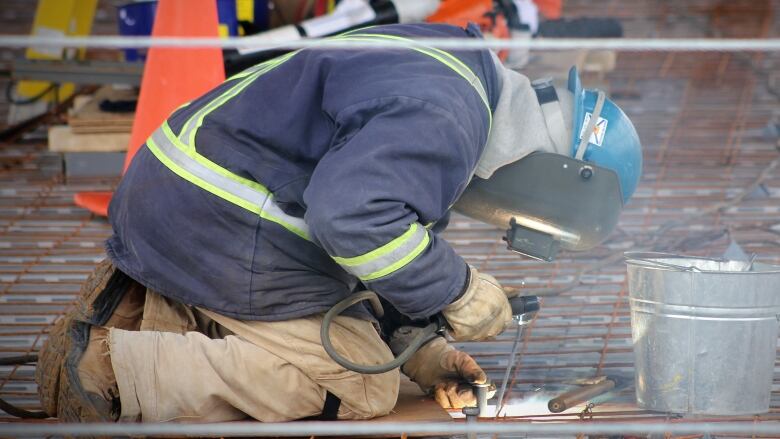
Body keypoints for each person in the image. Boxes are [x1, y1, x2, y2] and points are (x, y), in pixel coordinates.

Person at [36, 22, 641, 423]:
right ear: (561, 176)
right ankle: (110, 369)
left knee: (368, 327)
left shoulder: (459, 68)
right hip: (215, 216)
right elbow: (352, 220)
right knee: (359, 387)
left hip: (189, 193)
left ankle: (161, 306)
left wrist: (417, 347)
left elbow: (380, 227)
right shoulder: (444, 120)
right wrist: (459, 291)